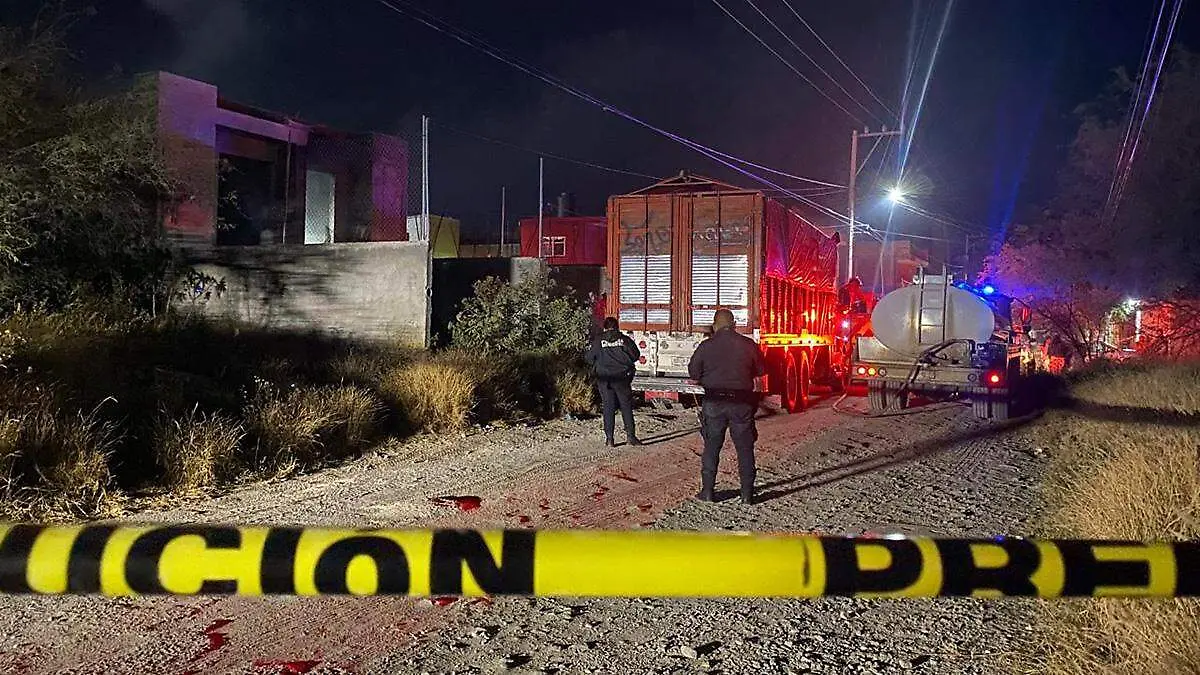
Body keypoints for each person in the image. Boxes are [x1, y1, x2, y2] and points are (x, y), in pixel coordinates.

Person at [688, 309, 767, 505]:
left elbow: (694, 373)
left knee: (712, 447)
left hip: (714, 403)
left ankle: (707, 492)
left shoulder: (706, 346)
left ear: (715, 326)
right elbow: (761, 370)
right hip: (741, 403)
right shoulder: (749, 345)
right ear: (734, 325)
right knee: (745, 448)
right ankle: (747, 494)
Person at [585, 317, 642, 447]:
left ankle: (609, 439)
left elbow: (589, 358)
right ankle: (631, 437)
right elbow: (635, 355)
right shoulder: (625, 340)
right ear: (617, 327)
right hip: (622, 378)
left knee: (608, 407)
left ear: (605, 328)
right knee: (626, 407)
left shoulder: (598, 341)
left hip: (604, 379)